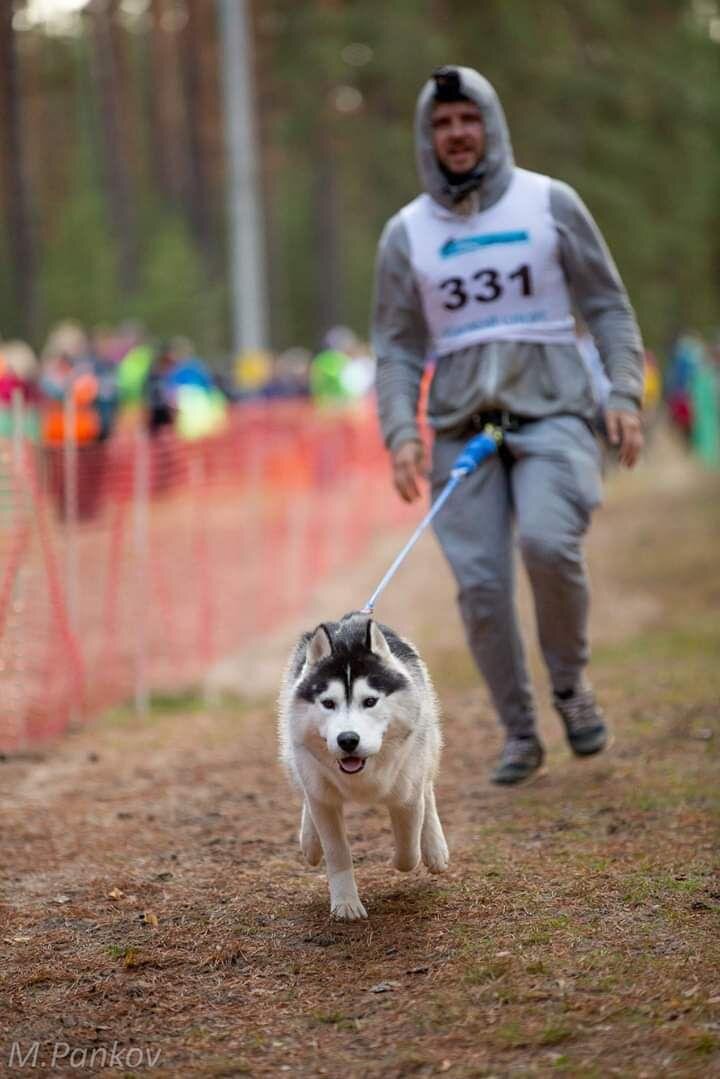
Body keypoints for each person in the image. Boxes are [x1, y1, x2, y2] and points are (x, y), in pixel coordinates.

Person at [372, 66, 644, 785]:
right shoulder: (406, 233)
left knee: (550, 544)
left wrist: (623, 391)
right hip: (462, 431)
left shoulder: (549, 202)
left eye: (468, 119)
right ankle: (520, 731)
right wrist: (400, 430)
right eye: (441, 123)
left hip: (554, 413)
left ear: (490, 125)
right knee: (482, 587)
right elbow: (397, 346)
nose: (456, 134)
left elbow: (609, 306)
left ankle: (570, 687)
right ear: (426, 136)